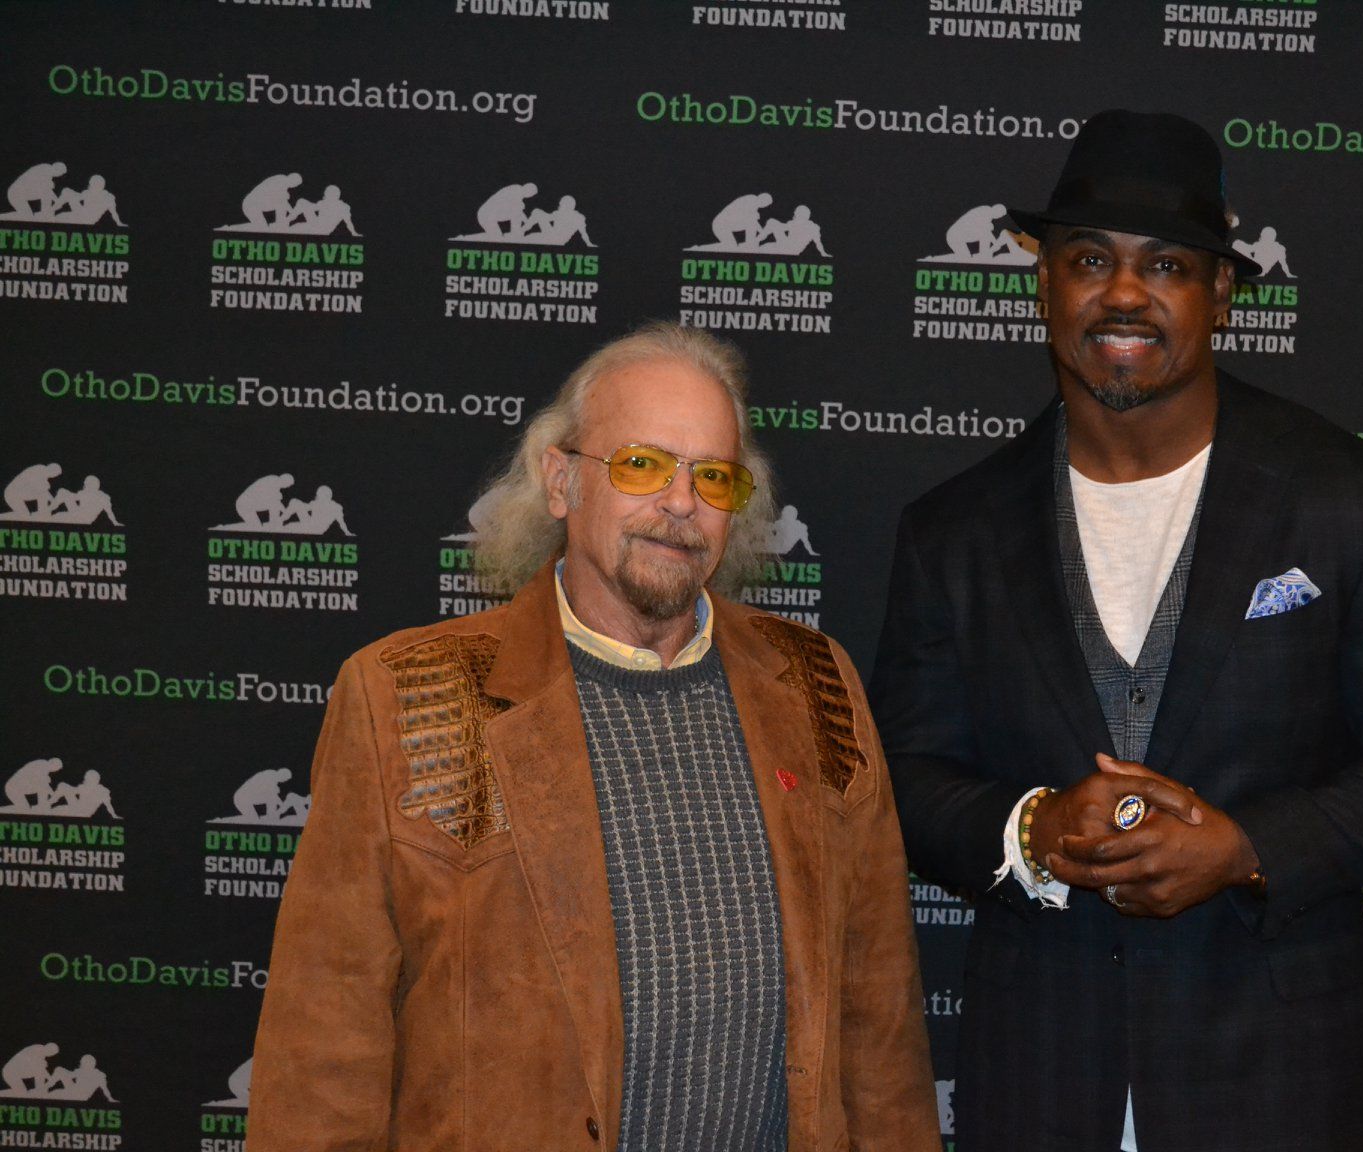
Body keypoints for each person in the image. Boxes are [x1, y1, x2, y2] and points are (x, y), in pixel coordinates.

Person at [871, 110, 1363, 1151]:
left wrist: (1251, 847)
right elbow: (902, 774)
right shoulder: (955, 530)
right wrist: (1030, 831)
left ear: (1219, 294)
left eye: (1165, 263)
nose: (1123, 294)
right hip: (1038, 1080)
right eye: (1088, 259)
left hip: (1275, 1083)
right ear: (1044, 284)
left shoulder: (1357, 502)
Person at [247, 322, 938, 1151]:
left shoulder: (817, 685)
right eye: (643, 465)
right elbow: (324, 1049)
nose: (681, 503)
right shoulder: (406, 696)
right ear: (561, 481)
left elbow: (880, 1032)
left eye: (713, 476)